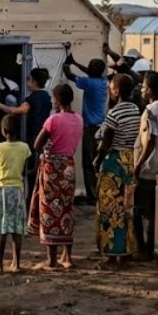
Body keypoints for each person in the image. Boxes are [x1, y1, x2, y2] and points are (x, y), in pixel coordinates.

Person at [28, 83, 83, 269]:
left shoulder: (53, 120)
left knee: (49, 210)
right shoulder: (79, 119)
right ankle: (67, 256)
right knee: (66, 208)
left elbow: (37, 144)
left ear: (58, 100)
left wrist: (47, 149)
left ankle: (51, 259)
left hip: (52, 167)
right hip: (68, 166)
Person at [94, 74, 140, 265]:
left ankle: (112, 253)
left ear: (117, 91)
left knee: (110, 208)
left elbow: (106, 142)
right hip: (130, 160)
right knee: (127, 208)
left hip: (114, 163)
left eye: (111, 88)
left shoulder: (114, 113)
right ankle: (127, 251)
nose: (110, 92)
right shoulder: (136, 109)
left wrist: (97, 160)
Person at [0, 68, 52, 209]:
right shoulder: (46, 96)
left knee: (31, 172)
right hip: (45, 137)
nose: (27, 82)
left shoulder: (32, 98)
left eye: (29, 79)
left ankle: (31, 203)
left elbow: (16, 111)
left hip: (35, 138)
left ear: (34, 81)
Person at [132, 71, 158, 260]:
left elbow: (151, 139)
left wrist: (138, 164)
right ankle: (151, 248)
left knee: (138, 210)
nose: (141, 90)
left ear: (149, 90)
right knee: (154, 212)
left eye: (143, 87)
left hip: (149, 168)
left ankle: (142, 249)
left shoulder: (150, 110)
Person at [62, 52, 108, 203]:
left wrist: (66, 63)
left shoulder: (89, 83)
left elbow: (69, 75)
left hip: (91, 129)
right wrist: (75, 62)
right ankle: (99, 194)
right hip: (101, 128)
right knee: (97, 162)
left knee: (88, 163)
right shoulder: (102, 81)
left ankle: (92, 197)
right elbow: (89, 72)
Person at [0, 115, 31, 273]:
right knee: (16, 229)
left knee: (1, 229)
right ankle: (16, 264)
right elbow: (25, 170)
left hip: (1, 190)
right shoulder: (24, 148)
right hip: (17, 190)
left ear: (4, 130)